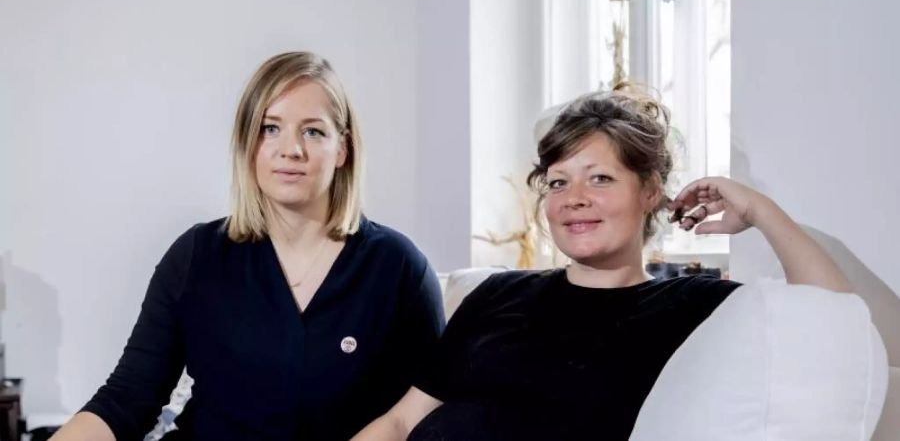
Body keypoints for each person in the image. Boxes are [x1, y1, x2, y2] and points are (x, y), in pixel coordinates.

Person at [354, 85, 851, 440]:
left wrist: (759, 209)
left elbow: (831, 317)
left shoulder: (694, 307)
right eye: (557, 181)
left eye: (600, 179)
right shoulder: (495, 296)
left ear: (651, 191)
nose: (574, 198)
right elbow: (399, 423)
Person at [51, 52, 445, 441]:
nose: (291, 149)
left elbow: (421, 415)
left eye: (313, 131)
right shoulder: (196, 256)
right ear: (247, 142)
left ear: (342, 149)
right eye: (270, 128)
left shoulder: (399, 269)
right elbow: (127, 399)